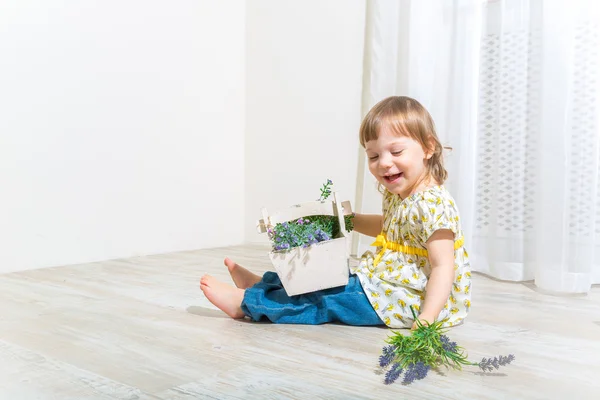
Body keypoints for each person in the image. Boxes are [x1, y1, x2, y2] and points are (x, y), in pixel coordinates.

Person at [200, 96, 471, 329]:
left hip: (407, 300)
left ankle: (247, 305)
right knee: (328, 280)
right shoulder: (401, 194)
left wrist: (427, 317)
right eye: (374, 156)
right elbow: (391, 228)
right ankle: (264, 287)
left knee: (327, 300)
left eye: (396, 151)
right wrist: (349, 221)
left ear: (428, 147)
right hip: (387, 282)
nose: (384, 163)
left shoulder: (434, 205)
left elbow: (443, 266)